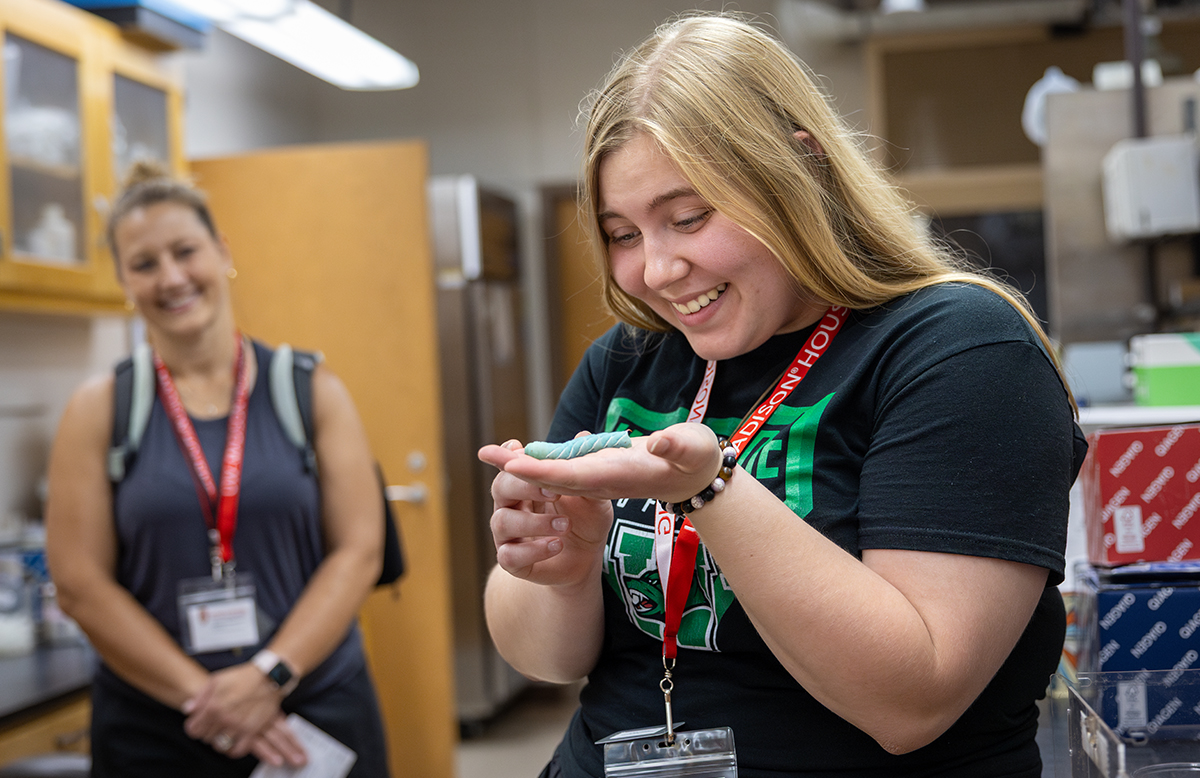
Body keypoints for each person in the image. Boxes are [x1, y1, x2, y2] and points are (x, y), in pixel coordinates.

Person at [479, 13, 1087, 778]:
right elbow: (545, 657)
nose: (658, 270)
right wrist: (560, 569)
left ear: (801, 169)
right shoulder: (630, 362)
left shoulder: (960, 348)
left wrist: (713, 490)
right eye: (623, 235)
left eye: (688, 218)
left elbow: (912, 702)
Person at [44, 162, 390, 777]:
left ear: (222, 252)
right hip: (160, 726)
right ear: (124, 280)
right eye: (144, 263)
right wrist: (213, 701)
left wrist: (268, 675)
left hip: (311, 708)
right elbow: (79, 583)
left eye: (185, 251)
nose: (171, 277)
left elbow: (360, 550)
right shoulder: (99, 410)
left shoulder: (309, 389)